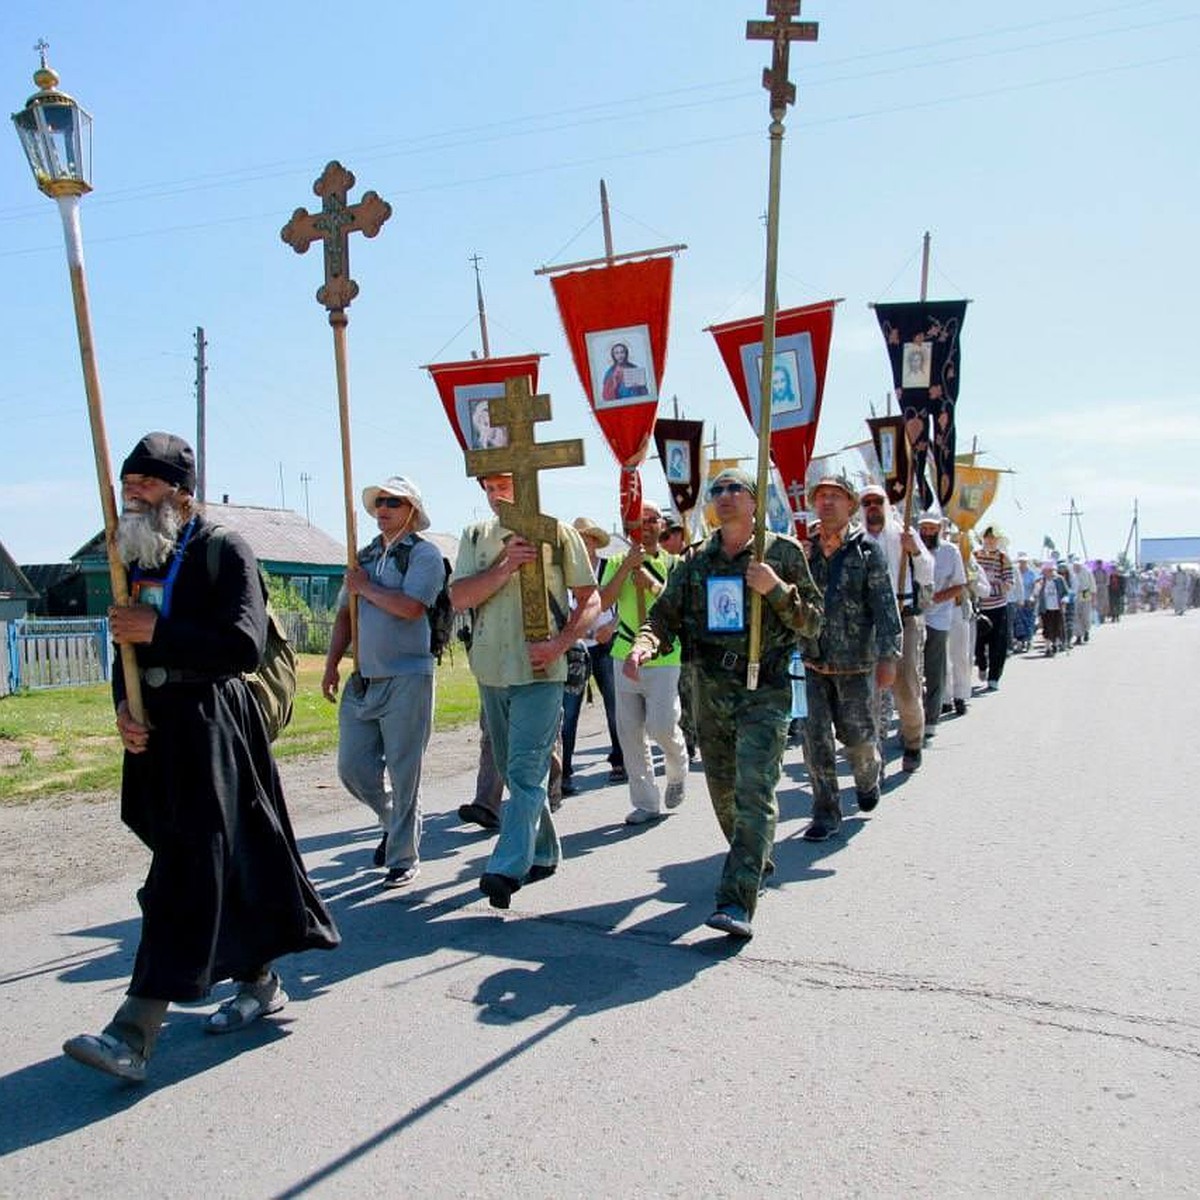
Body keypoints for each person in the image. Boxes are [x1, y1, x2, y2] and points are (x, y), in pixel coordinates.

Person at [63, 433, 339, 1083]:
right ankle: (260, 977)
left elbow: (243, 646)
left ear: (182, 494)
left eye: (147, 485)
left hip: (214, 725)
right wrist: (123, 709)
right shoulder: (134, 557)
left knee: (185, 872)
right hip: (157, 731)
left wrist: (156, 631)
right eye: (128, 484)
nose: (133, 494)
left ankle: (133, 1029)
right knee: (217, 860)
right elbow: (125, 649)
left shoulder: (223, 550)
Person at [625, 468, 823, 939]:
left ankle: (736, 901)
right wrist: (644, 645)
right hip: (709, 690)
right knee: (725, 793)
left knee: (755, 789)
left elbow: (814, 622)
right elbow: (663, 616)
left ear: (755, 501)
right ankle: (753, 858)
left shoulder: (781, 553)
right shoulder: (696, 561)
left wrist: (775, 589)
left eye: (736, 489)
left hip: (764, 688)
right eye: (718, 491)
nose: (725, 497)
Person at [450, 473, 599, 909]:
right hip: (492, 668)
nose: (496, 495)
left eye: (504, 484)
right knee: (510, 766)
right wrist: (504, 566)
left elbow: (589, 599)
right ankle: (545, 850)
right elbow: (459, 597)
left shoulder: (558, 532)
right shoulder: (476, 535)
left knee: (525, 770)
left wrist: (561, 643)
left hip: (542, 669)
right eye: (489, 487)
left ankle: (505, 866)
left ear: (526, 482)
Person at [321, 476, 442, 887]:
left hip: (408, 676)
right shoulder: (365, 557)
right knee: (352, 767)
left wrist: (366, 588)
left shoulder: (424, 556)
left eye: (393, 502)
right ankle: (393, 820)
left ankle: (404, 857)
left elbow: (411, 607)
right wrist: (331, 663)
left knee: (405, 769)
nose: (383, 509)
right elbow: (343, 615)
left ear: (411, 510)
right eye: (379, 502)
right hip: (364, 678)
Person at [801, 474, 902, 840]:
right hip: (811, 662)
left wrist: (889, 656)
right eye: (821, 496)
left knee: (859, 739)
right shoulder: (804, 551)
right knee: (815, 740)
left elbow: (884, 605)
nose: (826, 502)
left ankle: (867, 777)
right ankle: (825, 811)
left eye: (835, 496)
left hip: (856, 664)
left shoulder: (866, 550)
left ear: (849, 505)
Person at [600, 501, 689, 824]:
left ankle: (678, 768)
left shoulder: (674, 563)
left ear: (662, 526)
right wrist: (627, 568)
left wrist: (649, 582)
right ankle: (646, 802)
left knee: (662, 726)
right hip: (624, 655)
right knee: (630, 733)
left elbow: (679, 604)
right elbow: (604, 601)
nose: (647, 526)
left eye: (653, 520)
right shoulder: (615, 562)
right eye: (640, 521)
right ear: (629, 528)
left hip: (664, 655)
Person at [859, 483, 933, 771]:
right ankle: (873, 757)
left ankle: (913, 743)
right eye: (867, 503)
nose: (873, 506)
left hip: (903, 618)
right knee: (870, 695)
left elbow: (927, 571)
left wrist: (914, 551)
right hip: (870, 623)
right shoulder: (856, 539)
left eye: (878, 501)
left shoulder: (904, 532)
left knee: (906, 691)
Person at [561, 516, 622, 790]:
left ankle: (619, 759)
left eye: (586, 539)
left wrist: (611, 625)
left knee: (614, 704)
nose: (583, 544)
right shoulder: (565, 574)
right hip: (577, 647)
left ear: (595, 542)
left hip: (607, 642)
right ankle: (563, 771)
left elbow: (623, 603)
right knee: (569, 710)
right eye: (578, 539)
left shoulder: (609, 567)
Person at [918, 514, 966, 737]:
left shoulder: (950, 552)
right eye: (924, 528)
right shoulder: (911, 548)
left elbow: (960, 586)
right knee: (912, 671)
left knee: (934, 670)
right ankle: (915, 716)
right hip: (914, 617)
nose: (927, 532)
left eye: (931, 528)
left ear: (939, 529)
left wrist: (936, 598)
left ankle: (931, 719)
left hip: (938, 618)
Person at [974, 525, 1014, 691]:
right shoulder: (975, 556)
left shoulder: (1003, 558)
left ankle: (994, 677)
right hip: (979, 606)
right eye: (988, 537)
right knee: (978, 642)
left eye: (993, 538)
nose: (990, 541)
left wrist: (991, 588)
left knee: (998, 643)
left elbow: (1009, 584)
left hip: (997, 606)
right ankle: (982, 665)